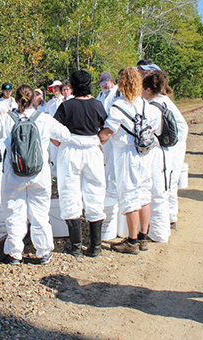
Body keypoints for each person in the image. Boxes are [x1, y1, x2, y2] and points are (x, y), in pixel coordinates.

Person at [0, 85, 70, 264]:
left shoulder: (6, 119)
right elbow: (65, 135)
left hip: (14, 173)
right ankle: (43, 251)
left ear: (16, 99)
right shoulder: (43, 119)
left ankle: (14, 253)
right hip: (39, 173)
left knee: (14, 211)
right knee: (40, 213)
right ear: (33, 100)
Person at [98, 67, 162, 254]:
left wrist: (96, 139)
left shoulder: (119, 106)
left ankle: (132, 241)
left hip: (127, 154)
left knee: (129, 196)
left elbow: (109, 131)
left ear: (120, 84)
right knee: (143, 195)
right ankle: (143, 237)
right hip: (145, 153)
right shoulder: (146, 105)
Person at [55, 70, 107, 257]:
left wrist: (66, 144)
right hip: (92, 151)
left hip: (71, 151)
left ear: (73, 86)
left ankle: (75, 246)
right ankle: (96, 247)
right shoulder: (97, 105)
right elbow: (106, 129)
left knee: (70, 193)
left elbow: (54, 134)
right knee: (95, 192)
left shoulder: (66, 106)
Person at [142, 70, 189, 232]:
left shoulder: (158, 104)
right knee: (166, 186)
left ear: (148, 89)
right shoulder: (162, 101)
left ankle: (165, 224)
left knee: (164, 188)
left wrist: (169, 145)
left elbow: (181, 128)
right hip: (168, 148)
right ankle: (168, 220)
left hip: (169, 148)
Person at [95, 71, 120, 238]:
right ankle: (107, 196)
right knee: (105, 166)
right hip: (102, 131)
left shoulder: (117, 93)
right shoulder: (100, 94)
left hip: (113, 133)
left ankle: (114, 199)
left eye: (105, 83)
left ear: (111, 81)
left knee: (112, 167)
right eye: (101, 84)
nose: (104, 86)